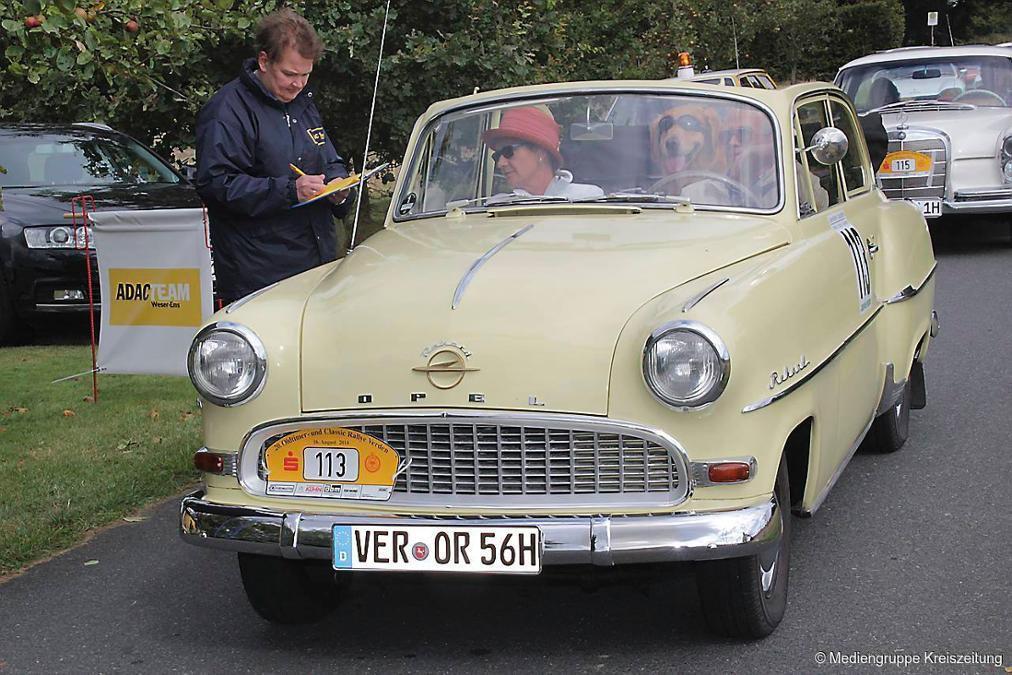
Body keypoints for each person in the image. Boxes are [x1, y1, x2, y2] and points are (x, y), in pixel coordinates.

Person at [195, 8, 351, 305]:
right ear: (264, 61)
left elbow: (329, 159)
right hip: (258, 274)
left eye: (306, 75)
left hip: (316, 263)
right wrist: (289, 191)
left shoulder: (303, 104)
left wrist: (338, 188)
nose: (298, 84)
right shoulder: (227, 110)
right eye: (289, 74)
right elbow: (216, 184)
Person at [481, 106, 603, 201]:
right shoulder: (497, 205)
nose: (500, 163)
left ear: (541, 152)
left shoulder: (586, 198)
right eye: (497, 155)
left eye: (508, 151)